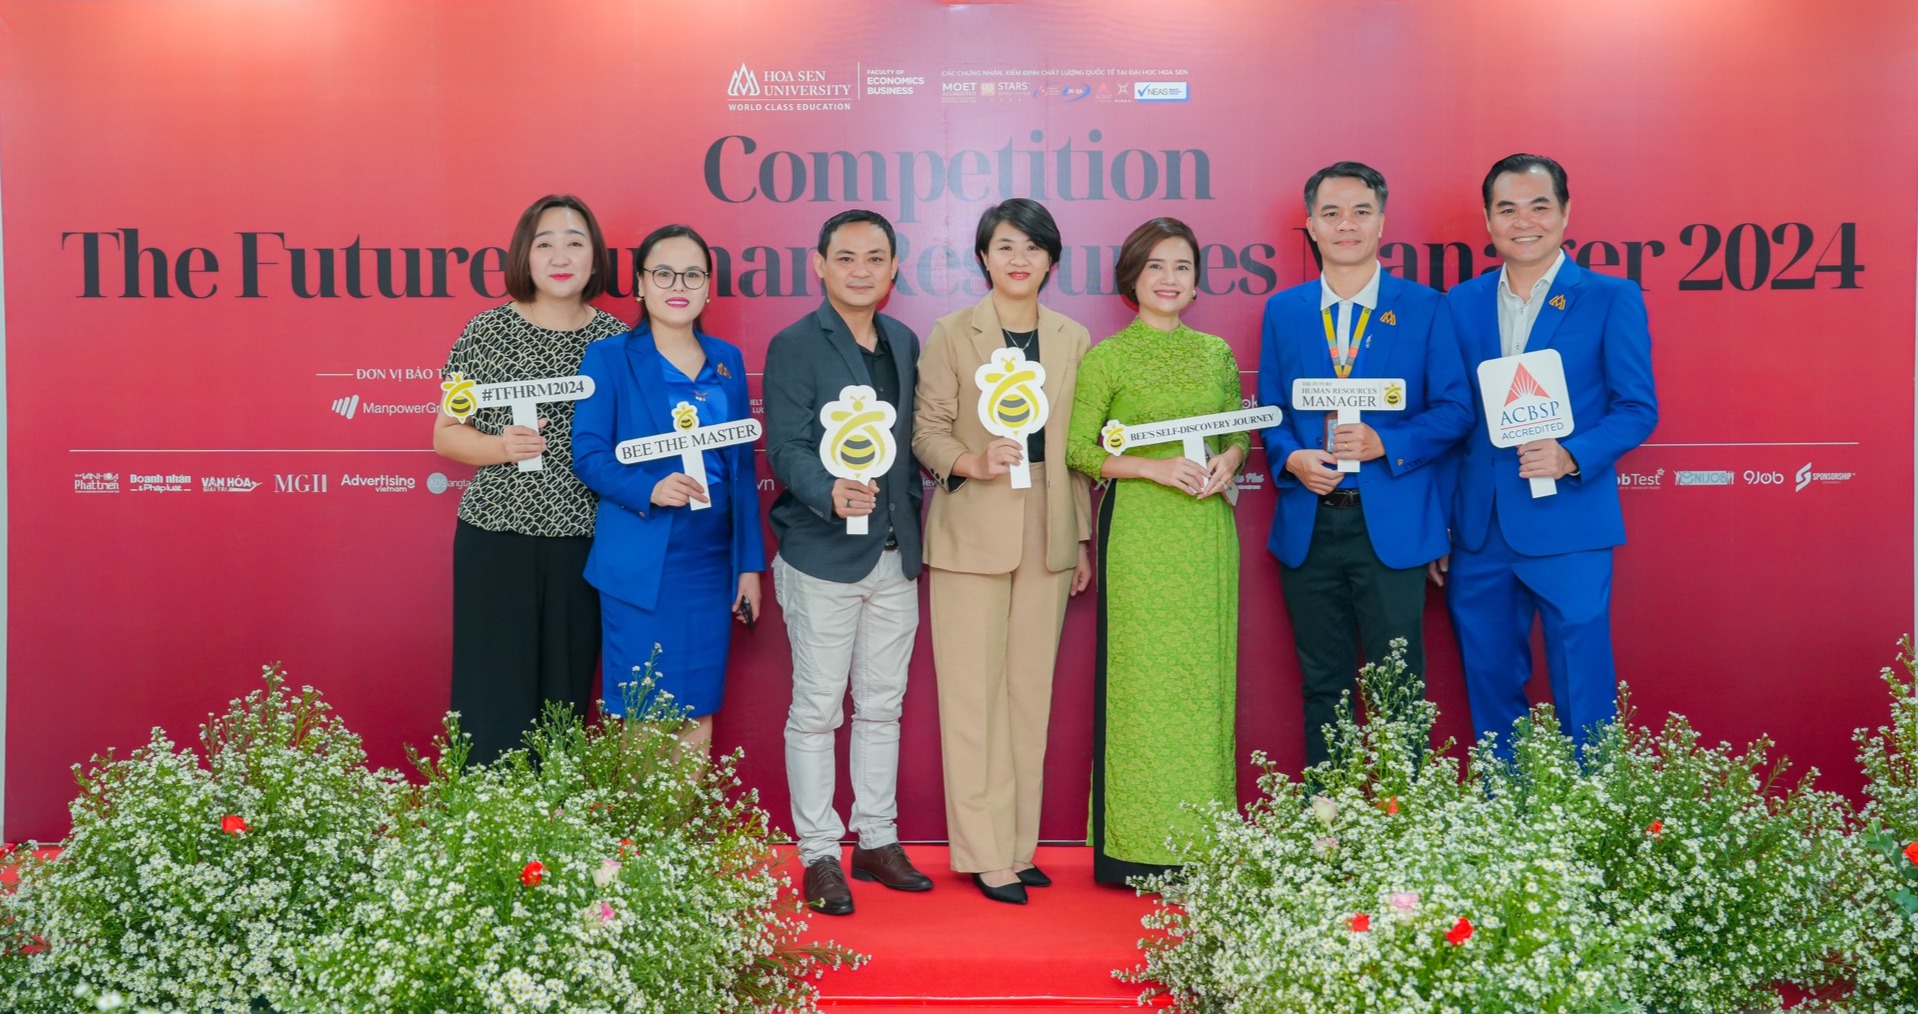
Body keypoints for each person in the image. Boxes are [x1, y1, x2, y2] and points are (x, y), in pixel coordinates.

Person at [1256, 162, 1472, 769]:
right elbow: (1271, 409)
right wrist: (1291, 457)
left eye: (1359, 212)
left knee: (1399, 689)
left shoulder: (1427, 308)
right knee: (1323, 684)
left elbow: (1456, 409)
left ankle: (1404, 829)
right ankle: (1329, 826)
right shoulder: (1287, 311)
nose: (1345, 224)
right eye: (1331, 213)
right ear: (1310, 227)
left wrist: (1388, 444)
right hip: (1310, 524)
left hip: (1392, 527)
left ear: (1381, 221)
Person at [1441, 153, 1658, 756]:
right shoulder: (1460, 303)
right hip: (1479, 529)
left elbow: (1638, 408)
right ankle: (1504, 822)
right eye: (1506, 209)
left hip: (1569, 521)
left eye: (1539, 206)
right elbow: (1450, 421)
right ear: (1488, 221)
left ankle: (1589, 821)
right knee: (1488, 685)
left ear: (1565, 213)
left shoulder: (1610, 297)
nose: (1523, 221)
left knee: (1582, 682)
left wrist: (1571, 455)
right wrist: (1443, 528)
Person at [913, 199, 1093, 905]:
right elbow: (926, 430)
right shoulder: (953, 332)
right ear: (984, 257)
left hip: (1047, 531)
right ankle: (983, 852)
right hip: (971, 532)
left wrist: (1078, 537)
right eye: (1004, 246)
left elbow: (1078, 453)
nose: (1019, 258)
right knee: (971, 698)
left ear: (1051, 260)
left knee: (1029, 696)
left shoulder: (1072, 337)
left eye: (1033, 247)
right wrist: (968, 460)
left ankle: (1019, 846)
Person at [1066, 217, 1247, 885]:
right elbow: (1079, 450)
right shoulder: (1108, 358)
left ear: (1196, 280)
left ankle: (1201, 845)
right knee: (1141, 685)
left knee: (1204, 687)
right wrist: (1149, 467)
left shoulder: (1216, 354)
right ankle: (1131, 846)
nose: (1170, 279)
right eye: (1156, 267)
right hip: (1141, 534)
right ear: (1132, 279)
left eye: (1182, 267)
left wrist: (1229, 458)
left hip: (1205, 537)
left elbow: (1239, 432)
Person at [763, 209, 930, 915]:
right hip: (822, 554)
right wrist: (827, 490)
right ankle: (820, 853)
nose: (861, 269)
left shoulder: (904, 340)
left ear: (894, 269)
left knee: (883, 708)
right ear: (821, 266)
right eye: (847, 257)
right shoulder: (795, 344)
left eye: (875, 257)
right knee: (817, 710)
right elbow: (787, 446)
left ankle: (878, 840)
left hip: (895, 553)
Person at [432, 194, 627, 765]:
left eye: (575, 243)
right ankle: (487, 830)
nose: (560, 256)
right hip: (497, 538)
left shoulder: (616, 342)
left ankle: (552, 834)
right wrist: (499, 447)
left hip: (584, 542)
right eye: (545, 244)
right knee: (491, 692)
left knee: (565, 698)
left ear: (595, 259)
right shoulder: (487, 331)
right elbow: (445, 433)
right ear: (525, 255)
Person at [569, 225, 764, 749]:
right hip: (642, 557)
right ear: (639, 285)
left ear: (707, 288)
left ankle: (675, 832)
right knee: (645, 712)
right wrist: (648, 489)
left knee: (698, 708)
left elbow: (742, 469)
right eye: (663, 273)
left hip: (711, 558)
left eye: (693, 274)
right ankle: (644, 832)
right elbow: (587, 453)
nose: (678, 284)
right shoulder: (609, 357)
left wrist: (748, 567)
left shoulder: (727, 360)